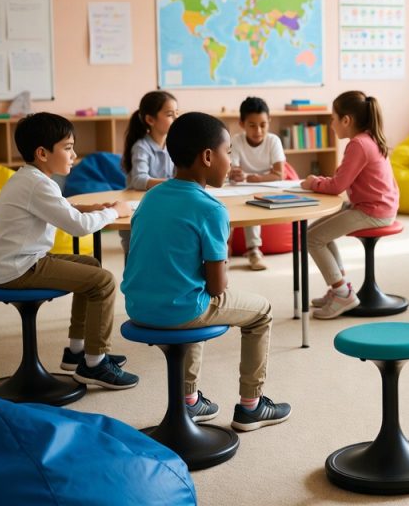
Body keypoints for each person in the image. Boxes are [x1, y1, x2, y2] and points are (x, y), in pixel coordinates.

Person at [121, 112, 290, 431]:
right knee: (261, 312)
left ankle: (190, 400)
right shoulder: (211, 208)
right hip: (178, 311)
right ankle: (251, 406)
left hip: (137, 307)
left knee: (192, 295)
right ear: (208, 157)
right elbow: (217, 288)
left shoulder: (151, 197)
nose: (230, 160)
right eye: (228, 153)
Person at [0, 112, 137, 389]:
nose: (74, 154)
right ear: (42, 153)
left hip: (17, 261)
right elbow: (79, 228)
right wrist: (115, 211)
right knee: (103, 281)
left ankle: (77, 350)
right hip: (20, 267)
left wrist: (88, 208)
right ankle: (95, 363)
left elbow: (59, 209)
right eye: (67, 147)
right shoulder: (39, 184)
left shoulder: (30, 179)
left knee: (89, 265)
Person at [301, 91, 399, 320]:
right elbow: (342, 180)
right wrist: (321, 182)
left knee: (312, 239)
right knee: (315, 233)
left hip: (373, 211)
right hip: (377, 205)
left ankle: (342, 294)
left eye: (333, 119)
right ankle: (340, 287)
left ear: (347, 120)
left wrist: (311, 182)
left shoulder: (358, 144)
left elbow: (337, 186)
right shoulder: (369, 138)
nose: (331, 124)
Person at [228, 96, 286, 271]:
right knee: (228, 207)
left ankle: (254, 250)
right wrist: (235, 174)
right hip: (241, 186)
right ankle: (223, 249)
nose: (258, 130)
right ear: (242, 124)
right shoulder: (236, 140)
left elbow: (279, 174)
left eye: (263, 125)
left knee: (252, 203)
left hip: (264, 186)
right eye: (252, 125)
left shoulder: (273, 141)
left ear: (269, 121)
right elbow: (233, 171)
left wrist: (256, 178)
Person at [120, 90, 178, 258]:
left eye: (177, 113)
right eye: (169, 114)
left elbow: (178, 174)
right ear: (150, 120)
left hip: (160, 204)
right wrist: (171, 183)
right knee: (136, 256)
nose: (175, 118)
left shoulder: (172, 145)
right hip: (137, 209)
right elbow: (139, 180)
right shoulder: (141, 147)